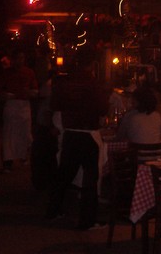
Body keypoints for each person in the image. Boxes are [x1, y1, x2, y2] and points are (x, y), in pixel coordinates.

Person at [46, 46, 109, 230]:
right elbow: (103, 108)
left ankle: (53, 211)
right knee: (90, 179)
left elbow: (54, 104)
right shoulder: (92, 83)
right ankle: (87, 220)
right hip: (88, 133)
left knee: (64, 175)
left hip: (70, 133)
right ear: (93, 64)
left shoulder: (65, 80)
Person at [0, 49, 38, 172]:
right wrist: (6, 95)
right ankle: (7, 162)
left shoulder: (29, 72)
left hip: (24, 106)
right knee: (9, 134)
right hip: (12, 105)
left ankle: (23, 156)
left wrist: (30, 92)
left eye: (22, 58)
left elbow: (35, 90)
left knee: (25, 133)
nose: (20, 61)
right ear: (13, 60)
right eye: (18, 58)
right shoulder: (6, 73)